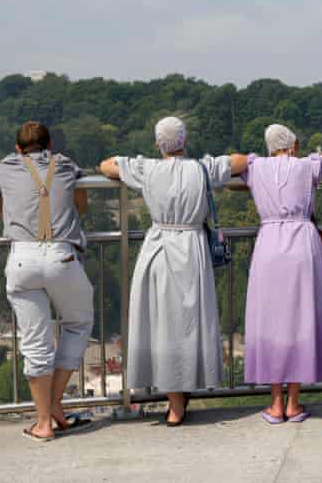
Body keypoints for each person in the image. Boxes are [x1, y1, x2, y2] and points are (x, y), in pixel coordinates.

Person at [99, 117, 247, 427]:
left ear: (158, 143)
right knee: (190, 323)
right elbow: (240, 161)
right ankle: (188, 386)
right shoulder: (203, 169)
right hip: (192, 247)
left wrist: (136, 162)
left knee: (162, 325)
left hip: (160, 246)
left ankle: (175, 404)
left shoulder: (148, 170)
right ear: (185, 141)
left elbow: (107, 166)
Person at [0, 121, 94, 442]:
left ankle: (43, 422)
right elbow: (82, 205)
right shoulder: (64, 164)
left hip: (22, 257)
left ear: (18, 148)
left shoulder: (6, 166)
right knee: (78, 323)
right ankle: (55, 404)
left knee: (35, 342)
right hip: (62, 256)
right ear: (49, 144)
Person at [243, 124, 322, 424]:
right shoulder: (308, 166)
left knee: (272, 322)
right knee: (299, 320)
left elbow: (239, 169)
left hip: (269, 243)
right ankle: (294, 403)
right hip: (302, 242)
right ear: (294, 144)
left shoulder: (255, 167)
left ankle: (275, 404)